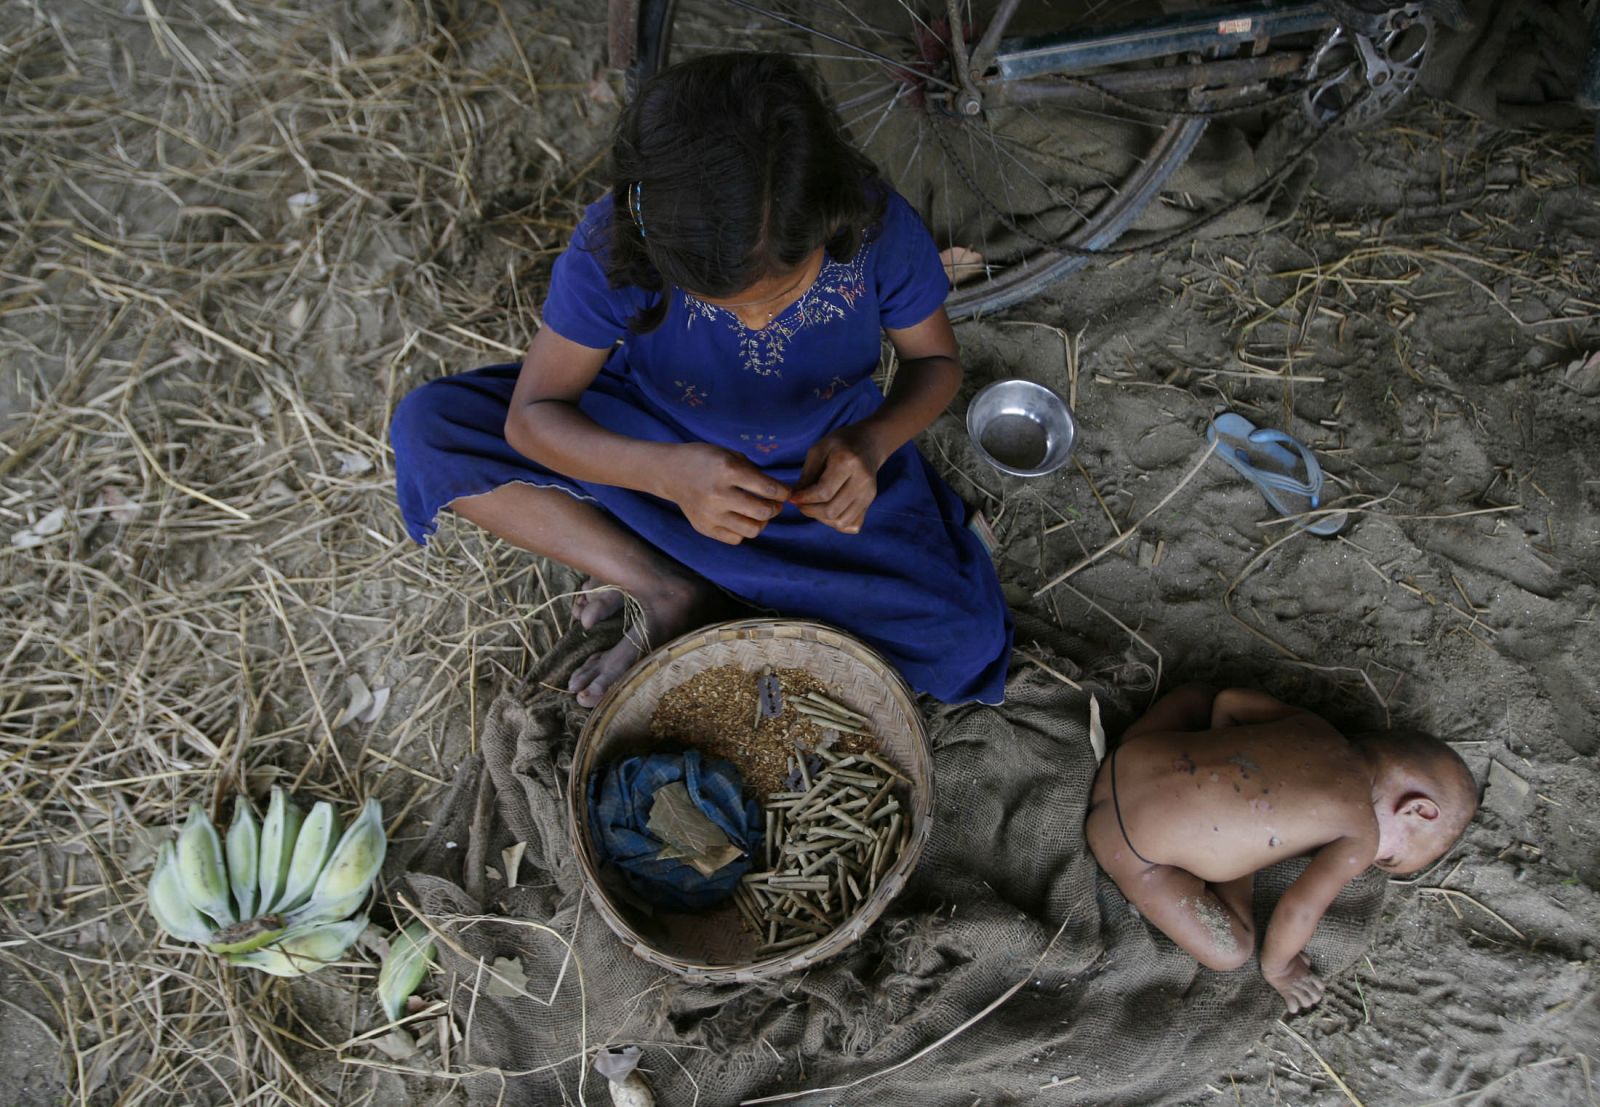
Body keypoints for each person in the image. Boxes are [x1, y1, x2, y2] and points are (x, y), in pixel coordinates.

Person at [390, 52, 1012, 708]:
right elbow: (533, 415)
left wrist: (873, 444)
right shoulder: (615, 244)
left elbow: (936, 366)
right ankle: (664, 587)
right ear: (654, 241)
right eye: (725, 303)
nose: (759, 316)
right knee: (431, 430)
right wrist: (664, 474)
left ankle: (714, 580)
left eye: (787, 289)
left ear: (830, 219)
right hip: (650, 451)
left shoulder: (873, 226)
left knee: (967, 644)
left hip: (818, 491)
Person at [1086, 684, 1477, 1012]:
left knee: (1198, 697)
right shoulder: (1360, 835)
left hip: (1130, 757)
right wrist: (1281, 969)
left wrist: (1223, 755)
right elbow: (1298, 909)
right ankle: (1238, 872)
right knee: (1232, 950)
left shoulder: (1315, 726)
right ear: (1418, 810)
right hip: (1123, 845)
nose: (1375, 861)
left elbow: (1228, 703)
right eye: (1390, 859)